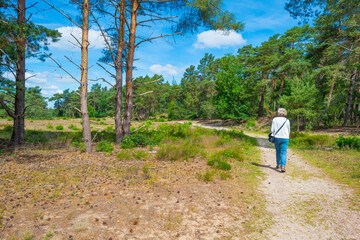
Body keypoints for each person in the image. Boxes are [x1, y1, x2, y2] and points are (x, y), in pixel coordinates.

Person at [271, 108, 290, 172]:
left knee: (278, 151)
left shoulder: (275, 119)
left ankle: (278, 164)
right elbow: (288, 130)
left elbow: (272, 130)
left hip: (277, 137)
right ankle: (283, 166)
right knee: (284, 152)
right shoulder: (287, 120)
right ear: (285, 113)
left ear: (278, 112)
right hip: (285, 138)